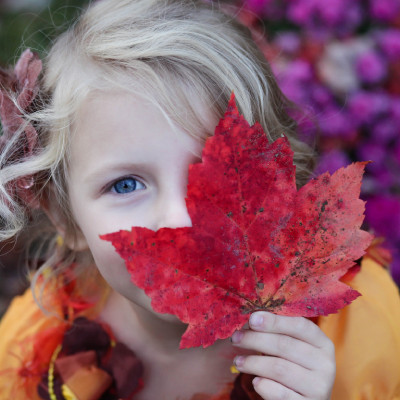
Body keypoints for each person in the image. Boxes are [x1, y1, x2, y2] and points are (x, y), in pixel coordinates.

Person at [0, 0, 399, 399]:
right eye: (125, 185)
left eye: (217, 170)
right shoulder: (31, 355)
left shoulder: (363, 332)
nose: (179, 220)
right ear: (66, 220)